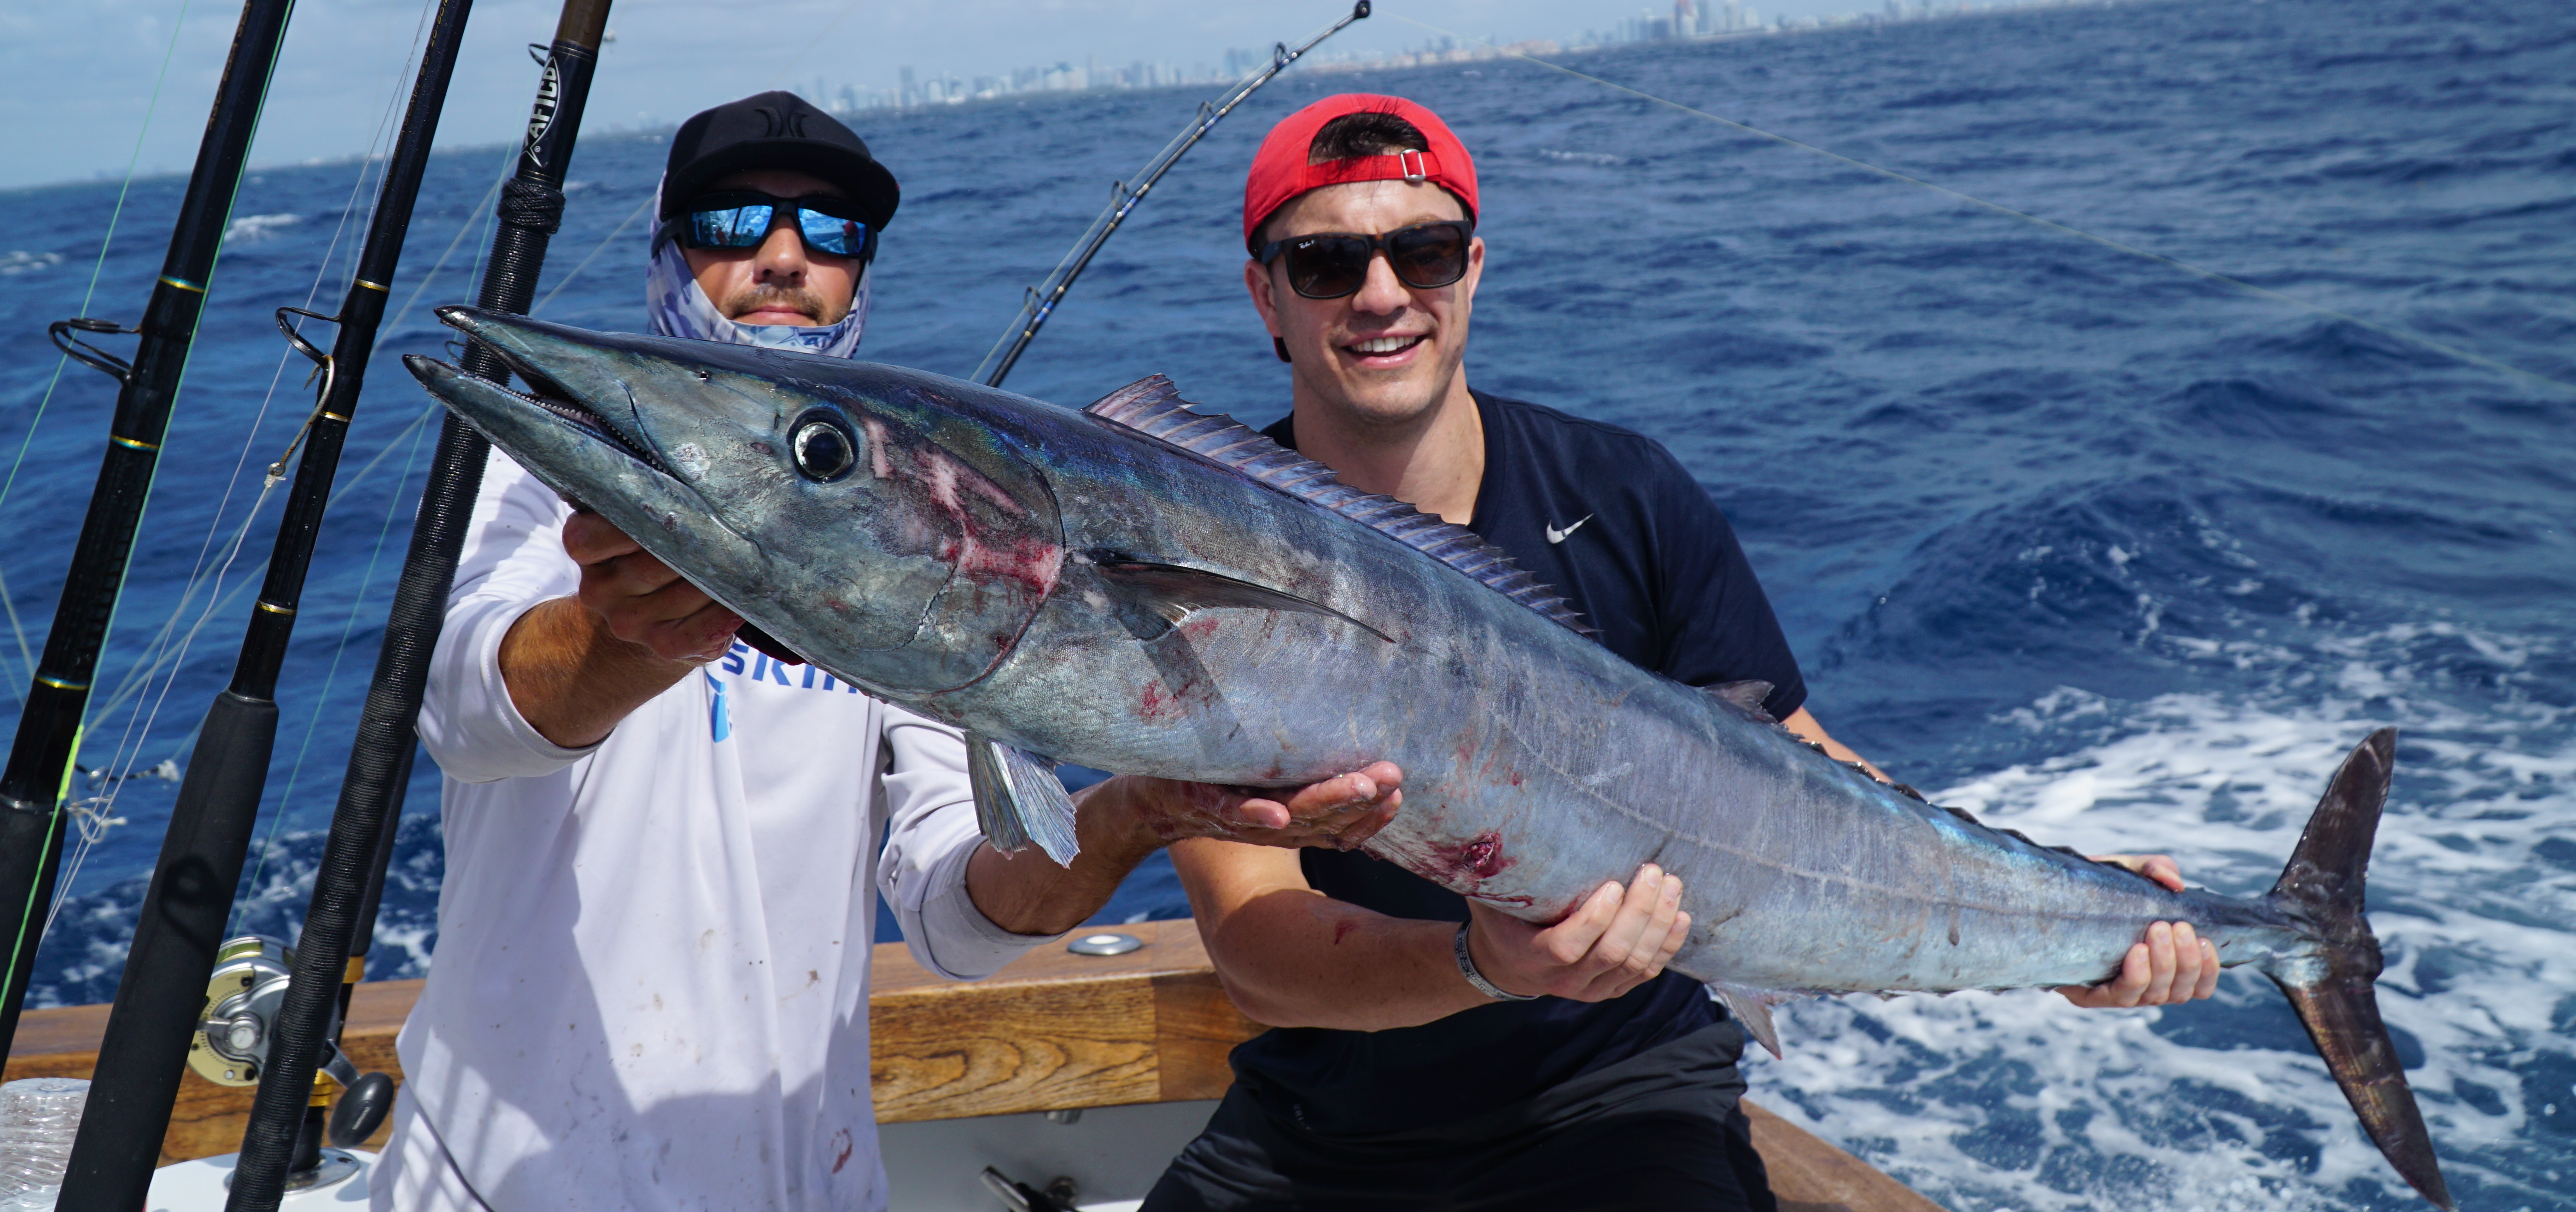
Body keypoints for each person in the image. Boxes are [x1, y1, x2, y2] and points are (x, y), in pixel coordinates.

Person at [1139, 93, 2221, 1212]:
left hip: (1620, 1099)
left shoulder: (1624, 489)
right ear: (1266, 295)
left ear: (1473, 269)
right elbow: (1255, 941)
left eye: (1423, 251)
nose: (1380, 294)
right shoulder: (1208, 549)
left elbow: (1804, 776)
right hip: (1320, 1131)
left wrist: (2073, 921)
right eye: (1325, 263)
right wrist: (1483, 963)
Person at [373, 91, 1402, 1211]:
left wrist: (1137, 811)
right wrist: (635, 634)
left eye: (831, 231)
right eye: (731, 221)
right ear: (665, 248)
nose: (784, 256)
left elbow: (957, 913)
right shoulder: (529, 478)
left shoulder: (925, 542)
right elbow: (468, 712)